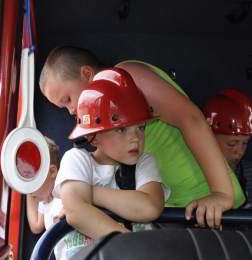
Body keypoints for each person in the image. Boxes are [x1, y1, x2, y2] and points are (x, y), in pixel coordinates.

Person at [39, 45, 245, 229]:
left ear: (86, 74)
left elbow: (190, 119)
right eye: (63, 106)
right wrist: (81, 202)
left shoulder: (127, 76)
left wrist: (222, 195)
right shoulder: (106, 144)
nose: (71, 110)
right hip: (181, 213)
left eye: (67, 99)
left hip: (219, 207)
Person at [52, 68, 170, 244]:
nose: (135, 139)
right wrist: (131, 243)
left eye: (140, 127)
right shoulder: (77, 159)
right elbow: (77, 213)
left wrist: (89, 194)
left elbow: (150, 207)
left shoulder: (144, 162)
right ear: (93, 137)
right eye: (121, 130)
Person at [26, 136, 82, 260]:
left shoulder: (65, 190)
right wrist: (27, 187)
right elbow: (36, 226)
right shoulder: (44, 201)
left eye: (32, 179)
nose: (28, 190)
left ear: (52, 172)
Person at [203, 88, 252, 210]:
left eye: (245, 142)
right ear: (209, 140)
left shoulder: (249, 172)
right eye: (232, 144)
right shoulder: (195, 174)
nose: (240, 151)